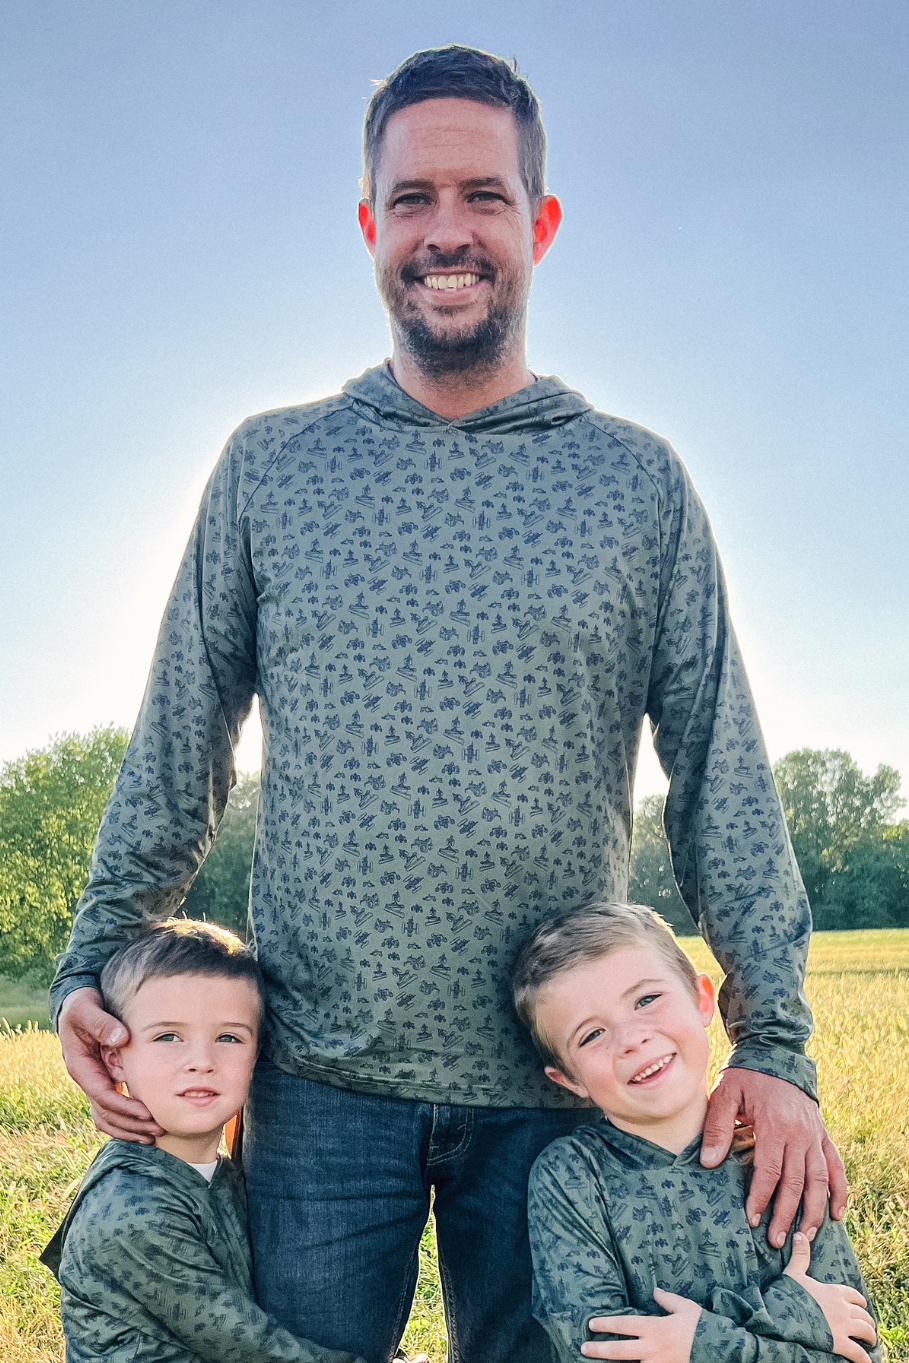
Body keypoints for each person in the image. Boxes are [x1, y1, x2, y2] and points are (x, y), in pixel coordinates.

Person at [51, 43, 846, 1363]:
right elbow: (181, 738)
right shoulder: (269, 464)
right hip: (318, 1081)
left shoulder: (634, 482)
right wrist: (95, 953)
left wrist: (778, 1040)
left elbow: (720, 769)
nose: (445, 231)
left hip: (555, 1090)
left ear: (536, 222)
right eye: (412, 199)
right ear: (370, 226)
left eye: (482, 195)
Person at [514, 901, 880, 1363]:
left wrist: (692, 1344)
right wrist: (784, 1313)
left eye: (647, 1000)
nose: (631, 1039)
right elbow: (597, 1352)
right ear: (569, 1079)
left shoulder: (779, 1151)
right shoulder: (570, 1178)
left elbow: (858, 1349)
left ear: (703, 999)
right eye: (591, 1035)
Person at [41, 919, 374, 1363]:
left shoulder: (227, 1172)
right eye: (168, 1036)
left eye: (228, 1037)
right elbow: (246, 1346)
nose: (202, 1061)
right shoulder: (132, 1209)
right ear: (114, 1058)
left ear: (256, 1056)